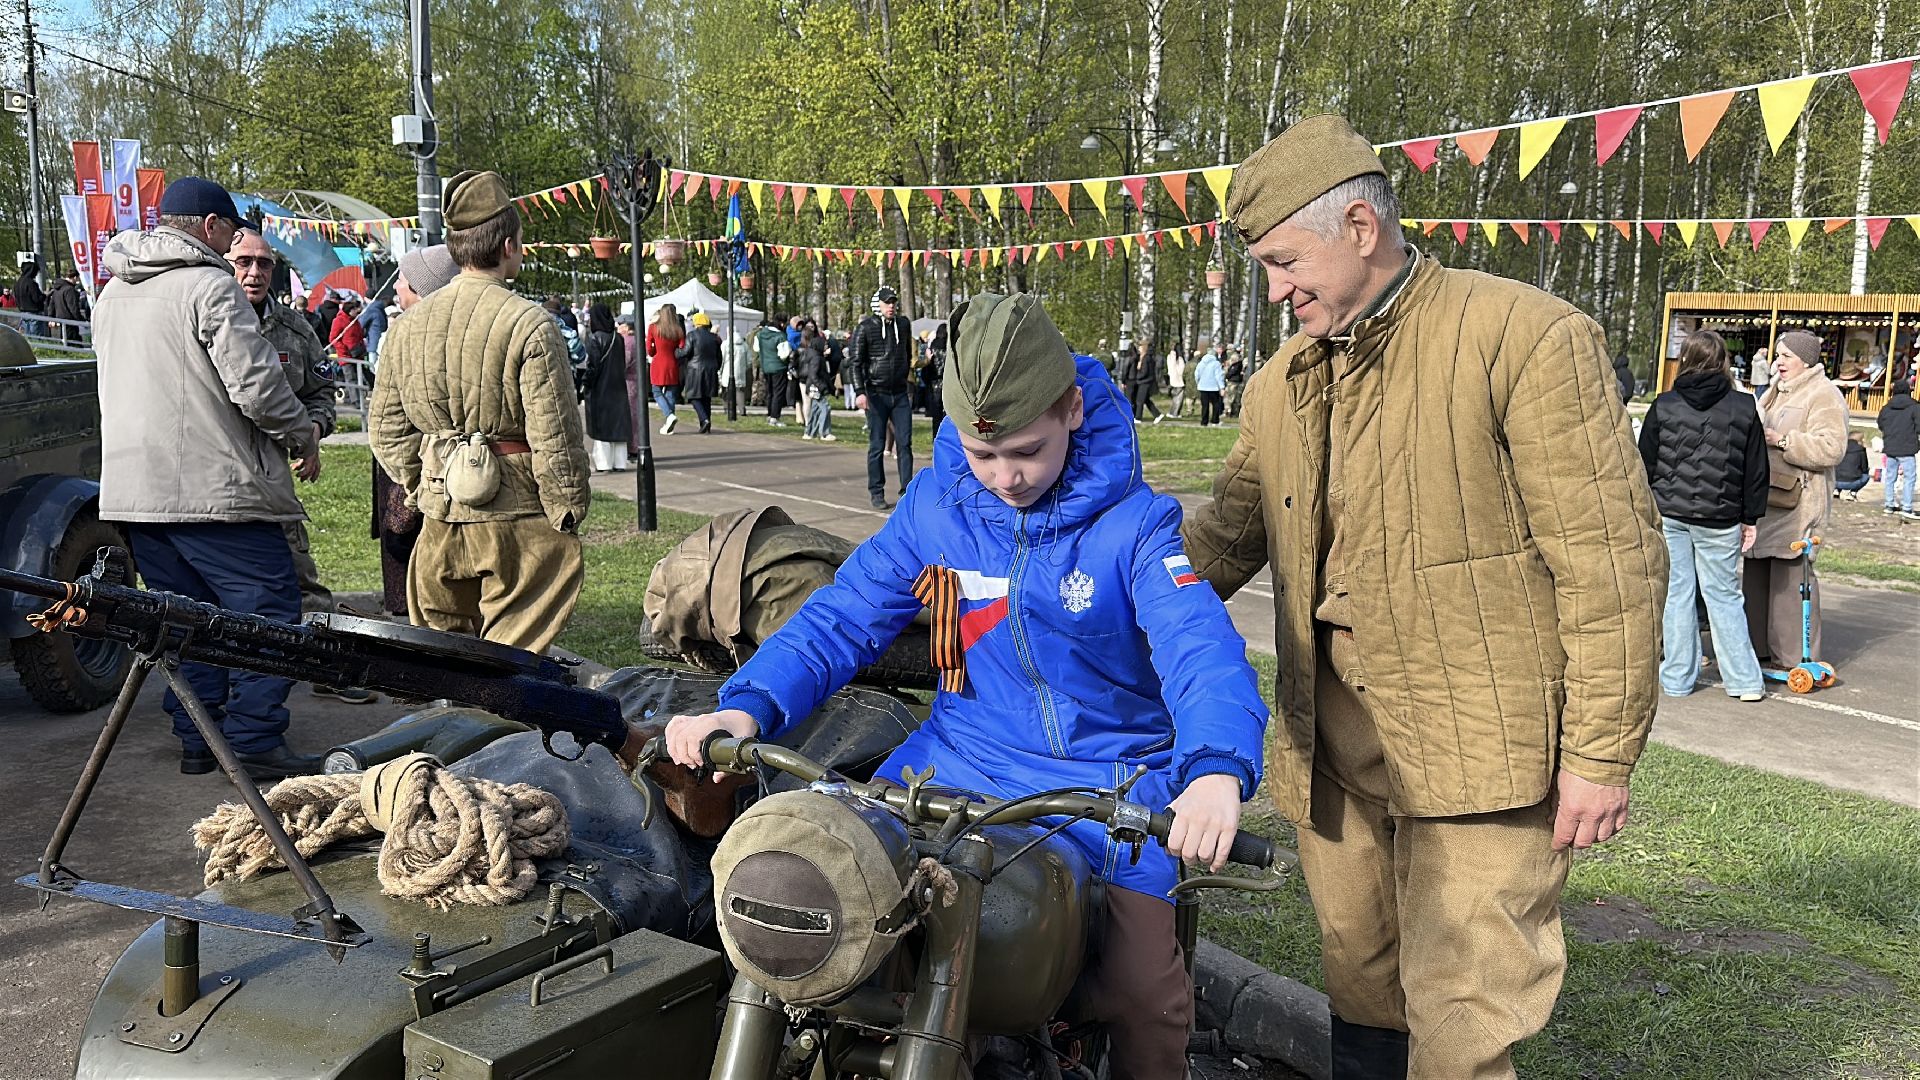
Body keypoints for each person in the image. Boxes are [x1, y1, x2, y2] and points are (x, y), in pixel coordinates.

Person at [666, 291, 1267, 1080]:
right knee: (848, 913)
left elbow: (1200, 647)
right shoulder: (934, 510)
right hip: (956, 761)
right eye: (983, 456)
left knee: (1142, 993)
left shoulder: (1135, 529)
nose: (1005, 477)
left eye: (1025, 450)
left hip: (1110, 782)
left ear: (1073, 411)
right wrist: (747, 703)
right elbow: (844, 615)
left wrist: (1216, 770)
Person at [1182, 115, 1665, 1078]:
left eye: (1285, 262)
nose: (1275, 292)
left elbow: (1611, 566)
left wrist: (1601, 757)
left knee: (1463, 1013)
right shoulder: (1279, 385)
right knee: (1362, 983)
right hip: (1334, 756)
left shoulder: (1524, 339)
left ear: (1360, 226)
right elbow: (1215, 547)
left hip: (1483, 756)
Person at [93, 177, 321, 779]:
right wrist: (304, 434)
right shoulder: (209, 285)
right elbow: (260, 390)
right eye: (232, 233)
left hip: (135, 494)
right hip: (215, 490)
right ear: (214, 228)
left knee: (181, 619)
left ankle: (199, 737)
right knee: (266, 613)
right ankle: (252, 741)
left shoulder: (113, 291)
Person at [368, 169, 591, 654]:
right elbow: (555, 433)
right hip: (517, 522)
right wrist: (567, 507)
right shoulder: (530, 323)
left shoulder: (407, 326)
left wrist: (424, 482)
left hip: (438, 523)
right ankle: (499, 730)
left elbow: (385, 429)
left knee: (452, 668)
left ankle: (463, 726)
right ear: (509, 245)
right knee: (511, 667)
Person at [1637, 330, 1768, 702]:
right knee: (1724, 596)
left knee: (1677, 595)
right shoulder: (1744, 407)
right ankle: (1743, 681)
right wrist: (1751, 517)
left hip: (1670, 512)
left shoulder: (1664, 405)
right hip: (1721, 515)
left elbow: (1645, 462)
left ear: (1685, 359)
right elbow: (1755, 468)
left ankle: (1678, 678)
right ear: (1724, 361)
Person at [1744, 330, 1846, 668]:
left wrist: (1784, 440)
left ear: (1807, 360)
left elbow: (1832, 447)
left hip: (1797, 503)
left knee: (1791, 580)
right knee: (1756, 577)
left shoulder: (1824, 394)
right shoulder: (1774, 391)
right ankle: (1755, 649)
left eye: (1786, 356)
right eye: (1778, 355)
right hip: (1765, 500)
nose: (1778, 362)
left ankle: (1793, 659)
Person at [371, 243, 458, 616]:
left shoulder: (412, 334)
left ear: (423, 288)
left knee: (406, 546)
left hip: (415, 465)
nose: (395, 289)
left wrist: (410, 477)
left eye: (403, 282)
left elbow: (390, 418)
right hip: (425, 467)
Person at [847, 286, 916, 508]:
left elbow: (907, 352)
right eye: (887, 302)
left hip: (899, 393)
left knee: (904, 443)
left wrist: (907, 377)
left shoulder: (903, 325)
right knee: (877, 445)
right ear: (878, 305)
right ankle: (876, 491)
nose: (891, 306)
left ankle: (907, 490)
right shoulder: (866, 327)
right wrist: (860, 391)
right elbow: (855, 362)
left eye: (894, 302)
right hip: (876, 393)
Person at [582, 302, 631, 471]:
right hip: (618, 386)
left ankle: (604, 463)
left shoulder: (595, 338)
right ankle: (620, 462)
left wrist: (586, 383)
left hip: (601, 388)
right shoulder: (618, 338)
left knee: (602, 428)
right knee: (618, 427)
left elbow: (592, 366)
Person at [1876, 377, 1917, 517]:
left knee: (1890, 477)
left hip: (1890, 446)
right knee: (1909, 478)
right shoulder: (1915, 407)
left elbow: (1880, 424)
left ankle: (1889, 504)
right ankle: (1907, 507)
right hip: (1907, 447)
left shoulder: (1886, 408)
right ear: (1908, 391)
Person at [644, 303, 684, 434]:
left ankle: (669, 416)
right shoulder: (678, 330)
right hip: (672, 362)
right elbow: (682, 346)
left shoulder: (653, 328)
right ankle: (669, 422)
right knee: (670, 393)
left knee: (656, 391)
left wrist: (654, 351)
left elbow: (649, 348)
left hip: (658, 361)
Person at [680, 310, 721, 434]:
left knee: (693, 397)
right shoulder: (715, 338)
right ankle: (706, 424)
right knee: (706, 398)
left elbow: (686, 352)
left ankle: (704, 419)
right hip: (711, 369)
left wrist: (676, 352)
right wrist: (716, 367)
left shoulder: (692, 335)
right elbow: (719, 356)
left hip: (695, 370)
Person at [795, 327, 835, 440]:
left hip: (812, 386)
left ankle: (809, 432)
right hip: (815, 387)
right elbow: (814, 375)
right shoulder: (816, 358)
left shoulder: (812, 355)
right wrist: (823, 387)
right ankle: (825, 433)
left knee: (815, 409)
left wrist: (831, 388)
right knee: (825, 408)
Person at [751, 316, 790, 426]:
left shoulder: (760, 334)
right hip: (778, 367)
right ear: (781, 324)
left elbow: (756, 349)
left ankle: (769, 414)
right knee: (778, 393)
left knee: (770, 392)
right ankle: (775, 417)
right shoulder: (780, 337)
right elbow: (784, 354)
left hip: (766, 367)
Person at [1120, 335, 1164, 423]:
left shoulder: (1146, 358)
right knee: (1146, 400)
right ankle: (1157, 414)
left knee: (1139, 400)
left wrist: (1137, 377)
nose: (1139, 349)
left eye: (1140, 347)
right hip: (1144, 381)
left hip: (1144, 382)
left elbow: (1144, 372)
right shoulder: (1145, 357)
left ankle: (1138, 417)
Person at [47, 267, 88, 345]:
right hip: (70, 321)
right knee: (75, 344)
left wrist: (50, 317)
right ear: (75, 277)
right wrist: (82, 320)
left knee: (65, 343)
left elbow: (52, 304)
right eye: (78, 279)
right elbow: (73, 308)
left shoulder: (57, 289)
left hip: (61, 320)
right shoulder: (70, 290)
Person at [11, 259, 46, 338]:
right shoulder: (31, 283)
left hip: (23, 313)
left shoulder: (18, 282)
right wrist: (44, 296)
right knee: (36, 338)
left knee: (27, 338)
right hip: (34, 313)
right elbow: (37, 298)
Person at [1194, 343, 1226, 426]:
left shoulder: (1201, 363)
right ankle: (1215, 421)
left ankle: (1204, 421)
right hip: (1213, 387)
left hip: (1203, 386)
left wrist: (1198, 383)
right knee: (1216, 404)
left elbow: (1197, 374)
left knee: (1205, 405)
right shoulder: (1216, 364)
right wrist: (1222, 387)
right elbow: (1219, 376)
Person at [357, 289, 389, 365]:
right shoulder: (380, 307)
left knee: (373, 366)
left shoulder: (371, 309)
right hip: (382, 340)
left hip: (373, 343)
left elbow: (360, 324)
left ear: (366, 298)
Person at [1834, 434, 1871, 501]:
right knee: (1866, 476)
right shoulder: (1861, 450)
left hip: (1835, 481)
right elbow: (1864, 468)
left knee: (1838, 470)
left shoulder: (1840, 447)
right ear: (1860, 440)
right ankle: (1853, 493)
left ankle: (1836, 490)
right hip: (1852, 482)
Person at [1223, 344, 1248, 417]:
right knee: (1234, 397)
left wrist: (1227, 376)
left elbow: (1231, 373)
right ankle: (1232, 411)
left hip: (1233, 382)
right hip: (1235, 381)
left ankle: (1230, 411)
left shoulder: (1236, 365)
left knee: (1231, 397)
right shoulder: (1238, 364)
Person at [1166, 344, 1189, 417]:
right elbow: (1182, 370)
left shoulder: (1169, 357)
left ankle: (1172, 412)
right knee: (1178, 399)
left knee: (1174, 398)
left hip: (1172, 380)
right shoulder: (1180, 359)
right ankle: (1175, 413)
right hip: (1179, 381)